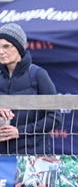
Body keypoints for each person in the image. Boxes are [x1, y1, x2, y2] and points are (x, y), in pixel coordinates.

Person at [0, 23, 59, 155]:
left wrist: (20, 131)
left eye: (6, 46)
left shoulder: (38, 74)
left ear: (19, 47)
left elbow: (55, 117)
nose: (1, 51)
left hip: (30, 155)